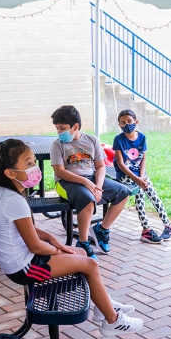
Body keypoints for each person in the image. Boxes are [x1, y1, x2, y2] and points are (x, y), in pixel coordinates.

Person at [0, 139, 143, 335]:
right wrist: (59, 249)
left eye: (34, 162)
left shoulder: (1, 193)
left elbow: (24, 230)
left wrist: (50, 237)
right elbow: (36, 247)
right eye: (29, 164)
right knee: (90, 264)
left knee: (82, 252)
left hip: (23, 259)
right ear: (10, 173)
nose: (35, 168)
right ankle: (112, 320)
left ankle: (103, 306)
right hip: (24, 268)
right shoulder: (14, 200)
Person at [50, 105, 131, 260]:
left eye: (62, 128)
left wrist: (98, 186)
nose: (59, 132)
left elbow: (100, 166)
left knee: (123, 192)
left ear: (75, 126)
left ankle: (101, 230)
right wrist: (86, 184)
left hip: (92, 178)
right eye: (57, 129)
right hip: (65, 182)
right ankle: (83, 242)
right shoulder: (57, 145)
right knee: (87, 199)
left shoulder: (92, 140)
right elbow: (60, 172)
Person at [113, 109, 171, 244]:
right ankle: (146, 229)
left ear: (136, 122)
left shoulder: (142, 137)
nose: (127, 125)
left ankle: (168, 226)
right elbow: (121, 164)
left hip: (140, 174)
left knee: (153, 195)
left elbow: (143, 160)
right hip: (125, 176)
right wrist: (137, 180)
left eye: (129, 121)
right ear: (119, 125)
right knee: (140, 197)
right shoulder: (118, 139)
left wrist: (142, 178)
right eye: (123, 123)